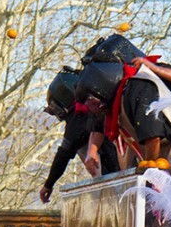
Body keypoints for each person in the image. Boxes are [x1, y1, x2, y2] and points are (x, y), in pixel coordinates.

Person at [39, 70, 119, 203]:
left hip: (113, 175)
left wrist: (48, 184)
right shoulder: (100, 104)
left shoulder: (79, 115)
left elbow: (63, 154)